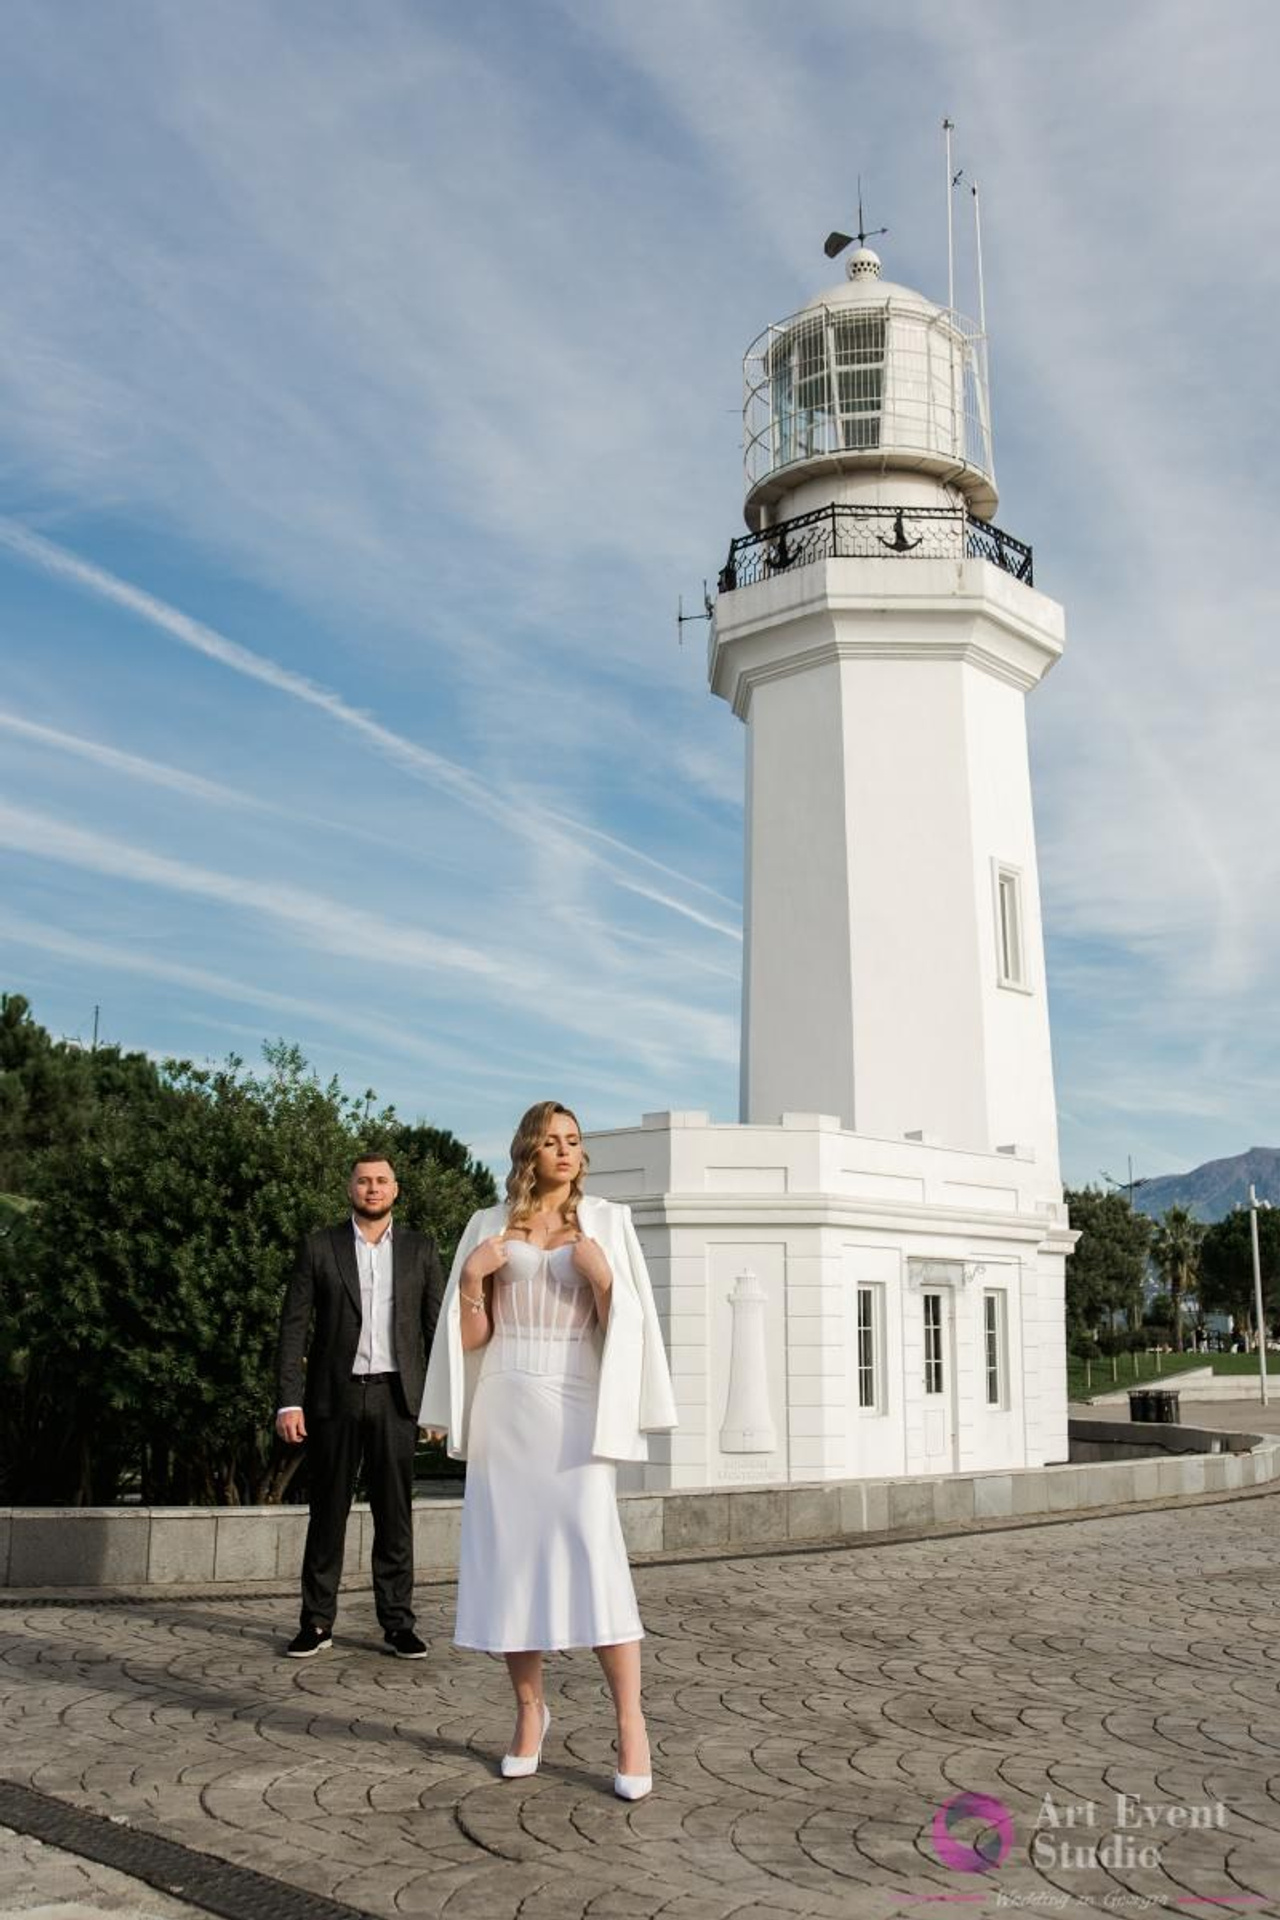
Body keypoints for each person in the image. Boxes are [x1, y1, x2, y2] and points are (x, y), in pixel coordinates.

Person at [419, 1101, 677, 1798]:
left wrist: (601, 1277)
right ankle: (530, 1711)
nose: (565, 1152)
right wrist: (472, 1280)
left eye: (573, 1141)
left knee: (593, 1553)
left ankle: (630, 1724)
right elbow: (470, 1341)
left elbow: (621, 1328)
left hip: (576, 1402)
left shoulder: (609, 1224)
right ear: (528, 1153)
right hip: (507, 1400)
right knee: (511, 1560)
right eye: (551, 1142)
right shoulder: (487, 1225)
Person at [276, 1153, 446, 1659]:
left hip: (397, 1397)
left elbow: (436, 1329)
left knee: (396, 1514)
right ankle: (316, 1622)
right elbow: (293, 1328)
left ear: (395, 1189)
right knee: (327, 1512)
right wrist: (289, 1402)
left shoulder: (421, 1249)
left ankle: (397, 1623)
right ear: (350, 1187)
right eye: (364, 1180)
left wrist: (439, 1404)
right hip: (336, 1395)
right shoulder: (319, 1246)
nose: (373, 1188)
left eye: (382, 1181)